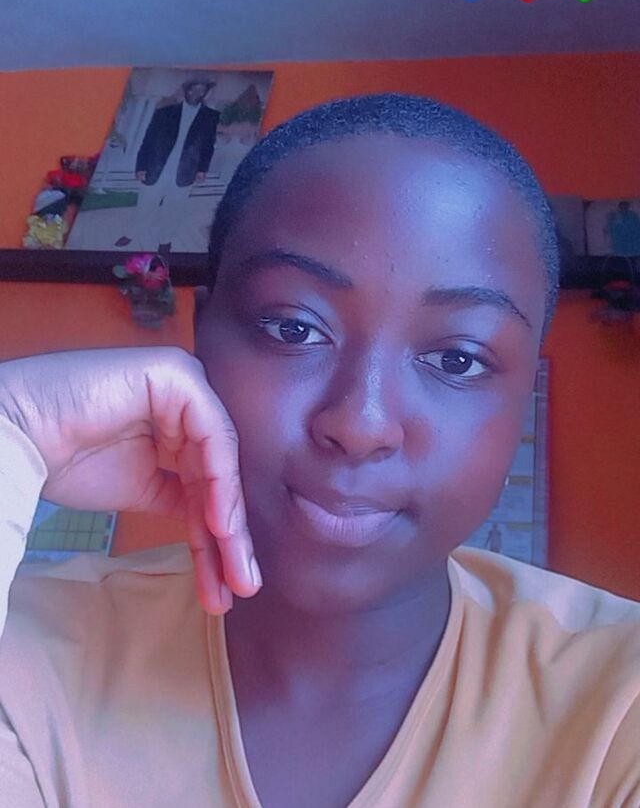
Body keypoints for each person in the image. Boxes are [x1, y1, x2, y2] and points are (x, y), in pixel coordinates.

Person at [0, 94, 638, 807]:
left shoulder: (618, 704)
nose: (361, 424)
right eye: (294, 328)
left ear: (522, 397)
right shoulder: (27, 651)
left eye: (457, 360)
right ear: (202, 338)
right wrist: (10, 427)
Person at [134, 76, 220, 249]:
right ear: (186, 90)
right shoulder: (164, 112)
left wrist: (202, 169)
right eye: (193, 88)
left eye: (201, 89)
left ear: (205, 92)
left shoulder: (211, 116)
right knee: (146, 204)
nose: (196, 93)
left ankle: (165, 241)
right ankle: (136, 234)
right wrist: (141, 166)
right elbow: (148, 140)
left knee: (174, 207)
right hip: (156, 166)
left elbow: (209, 145)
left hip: (186, 169)